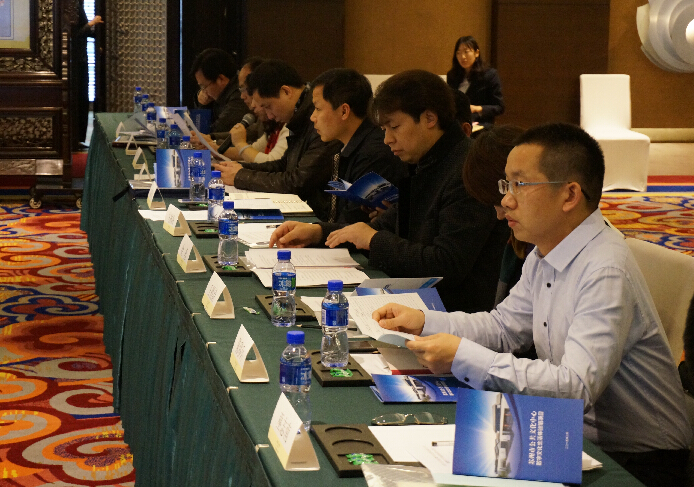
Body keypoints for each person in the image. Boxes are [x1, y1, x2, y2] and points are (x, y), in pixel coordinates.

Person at [373, 123, 692, 487]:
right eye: (505, 185)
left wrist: (462, 355)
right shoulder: (546, 250)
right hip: (570, 432)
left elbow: (575, 389)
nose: (506, 201)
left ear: (569, 195)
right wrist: (424, 321)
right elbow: (504, 328)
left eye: (520, 185)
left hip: (640, 461)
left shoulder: (604, 270)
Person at [271, 70, 509, 313]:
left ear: (429, 118)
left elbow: (447, 265)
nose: (387, 140)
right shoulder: (425, 162)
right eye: (384, 129)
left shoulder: (468, 169)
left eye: (394, 127)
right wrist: (318, 232)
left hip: (451, 315)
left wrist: (374, 240)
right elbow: (385, 225)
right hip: (416, 303)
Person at [266, 68, 405, 229]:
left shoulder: (373, 153)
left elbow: (351, 224)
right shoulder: (344, 143)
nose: (312, 117)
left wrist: (316, 231)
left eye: (318, 109)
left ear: (344, 111)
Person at [212, 59, 341, 220]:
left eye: (268, 106)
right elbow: (284, 164)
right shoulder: (299, 116)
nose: (269, 115)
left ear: (286, 92)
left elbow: (298, 182)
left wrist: (240, 176)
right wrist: (240, 168)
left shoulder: (317, 120)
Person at [462, 125, 529, 306]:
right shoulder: (519, 245)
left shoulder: (542, 247)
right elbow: (506, 319)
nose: (500, 215)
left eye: (498, 202)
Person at [198, 57, 289, 163]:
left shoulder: (287, 122)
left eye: (245, 89)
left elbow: (271, 163)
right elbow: (254, 149)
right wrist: (214, 148)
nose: (242, 96)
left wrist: (240, 144)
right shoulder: (273, 123)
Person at [446, 35, 504, 129]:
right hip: (457, 124)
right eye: (458, 53)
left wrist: (476, 108)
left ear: (476, 53)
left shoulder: (489, 75)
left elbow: (499, 107)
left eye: (466, 52)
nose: (462, 56)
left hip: (481, 125)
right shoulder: (452, 76)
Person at [189, 48, 250, 134]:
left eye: (204, 86)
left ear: (221, 79)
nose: (203, 92)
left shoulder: (239, 97)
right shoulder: (219, 95)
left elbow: (214, 131)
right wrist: (203, 105)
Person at [70, 0, 102, 150]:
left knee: (83, 99)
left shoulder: (78, 6)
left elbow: (85, 32)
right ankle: (73, 139)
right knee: (76, 100)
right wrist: (91, 23)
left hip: (82, 60)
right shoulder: (69, 7)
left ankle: (79, 139)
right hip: (72, 63)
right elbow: (73, 35)